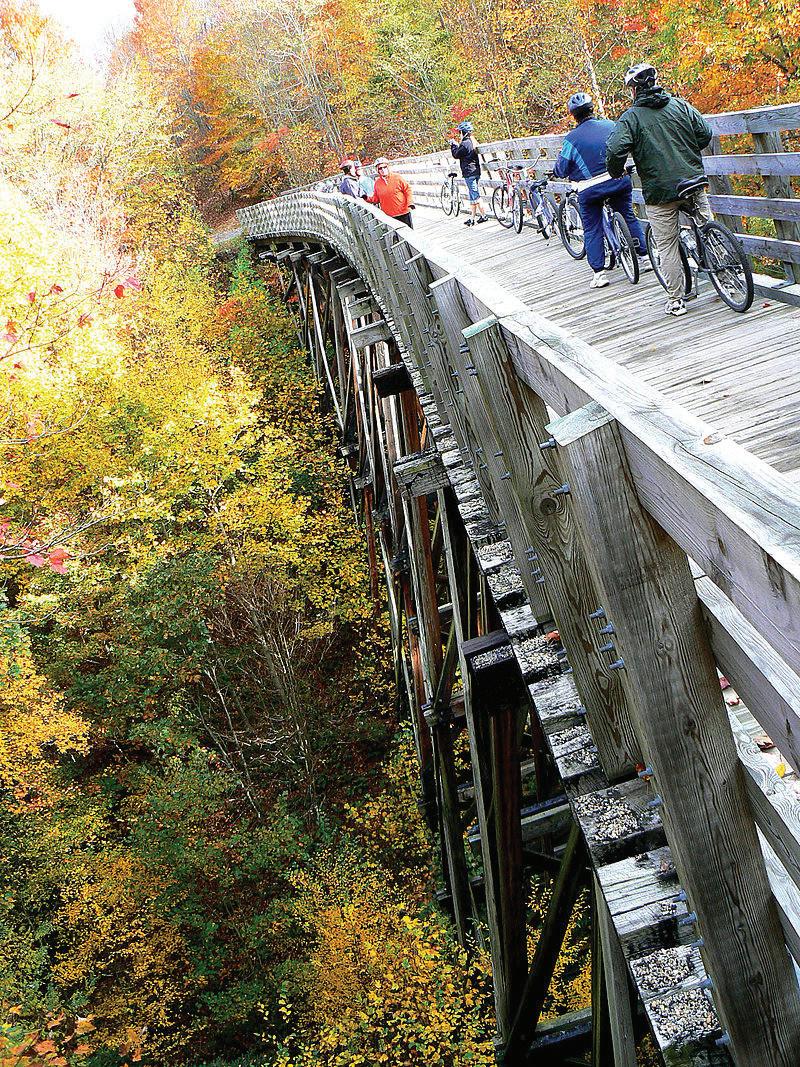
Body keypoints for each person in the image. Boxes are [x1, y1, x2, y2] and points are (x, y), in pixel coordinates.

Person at [606, 62, 714, 317]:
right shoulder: (680, 105)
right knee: (708, 228)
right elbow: (705, 133)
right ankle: (727, 274)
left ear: (633, 90)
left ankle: (677, 300)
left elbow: (615, 150)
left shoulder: (630, 118)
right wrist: (687, 152)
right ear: (656, 82)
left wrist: (616, 171)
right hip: (693, 179)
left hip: (660, 191)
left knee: (667, 245)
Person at [553, 91, 647, 290]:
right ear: (592, 109)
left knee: (592, 227)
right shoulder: (610, 125)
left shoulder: (571, 139)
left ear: (573, 115)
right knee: (627, 215)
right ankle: (645, 256)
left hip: (590, 190)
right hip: (618, 179)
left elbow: (562, 169)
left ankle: (599, 273)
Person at [449, 121, 488, 226]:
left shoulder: (465, 143)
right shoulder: (471, 142)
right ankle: (472, 219)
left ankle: (484, 216)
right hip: (475, 171)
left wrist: (453, 145)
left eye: (460, 132)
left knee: (475, 195)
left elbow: (456, 154)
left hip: (469, 173)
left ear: (463, 132)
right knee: (472, 196)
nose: (459, 134)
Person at [367, 158, 414, 227]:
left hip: (403, 213)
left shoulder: (397, 177)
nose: (383, 170)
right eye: (380, 168)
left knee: (408, 232)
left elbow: (408, 190)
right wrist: (366, 198)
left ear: (388, 167)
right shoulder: (377, 183)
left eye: (385, 167)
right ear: (377, 170)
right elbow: (376, 199)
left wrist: (410, 202)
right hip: (389, 216)